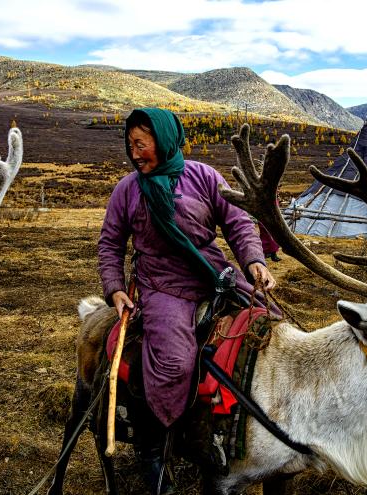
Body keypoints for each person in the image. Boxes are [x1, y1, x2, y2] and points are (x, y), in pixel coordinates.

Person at [98, 108, 276, 493]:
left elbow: (238, 223)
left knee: (272, 322)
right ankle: (156, 445)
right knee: (175, 363)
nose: (134, 153)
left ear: (163, 141)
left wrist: (255, 262)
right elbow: (110, 243)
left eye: (141, 144)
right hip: (163, 285)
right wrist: (114, 288)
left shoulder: (205, 177)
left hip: (212, 273)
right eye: (130, 146)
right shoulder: (127, 190)